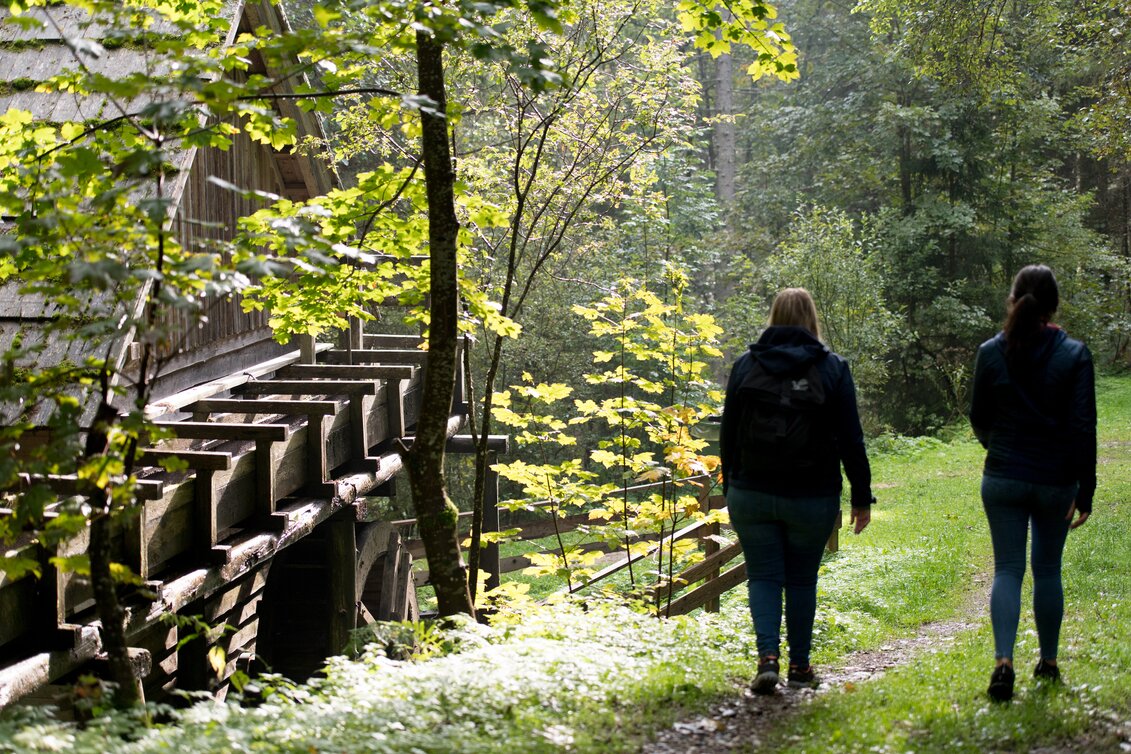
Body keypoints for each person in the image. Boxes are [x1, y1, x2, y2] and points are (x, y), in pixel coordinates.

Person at [720, 288, 874, 694]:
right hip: (812, 494)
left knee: (764, 576)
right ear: (811, 319)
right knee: (802, 580)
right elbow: (851, 439)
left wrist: (730, 485)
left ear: (773, 316)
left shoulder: (745, 367)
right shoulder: (833, 369)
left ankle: (767, 658)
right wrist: (861, 497)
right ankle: (801, 667)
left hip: (751, 491)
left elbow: (728, 434)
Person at [969, 264, 1095, 702]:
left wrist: (997, 446)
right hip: (1055, 480)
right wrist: (1086, 489)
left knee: (1007, 568)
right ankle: (1049, 661)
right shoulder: (1075, 355)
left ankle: (1003, 662)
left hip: (1002, 475)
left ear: (1013, 299)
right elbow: (1083, 427)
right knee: (1047, 569)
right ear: (1055, 305)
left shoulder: (990, 352)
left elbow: (978, 418)